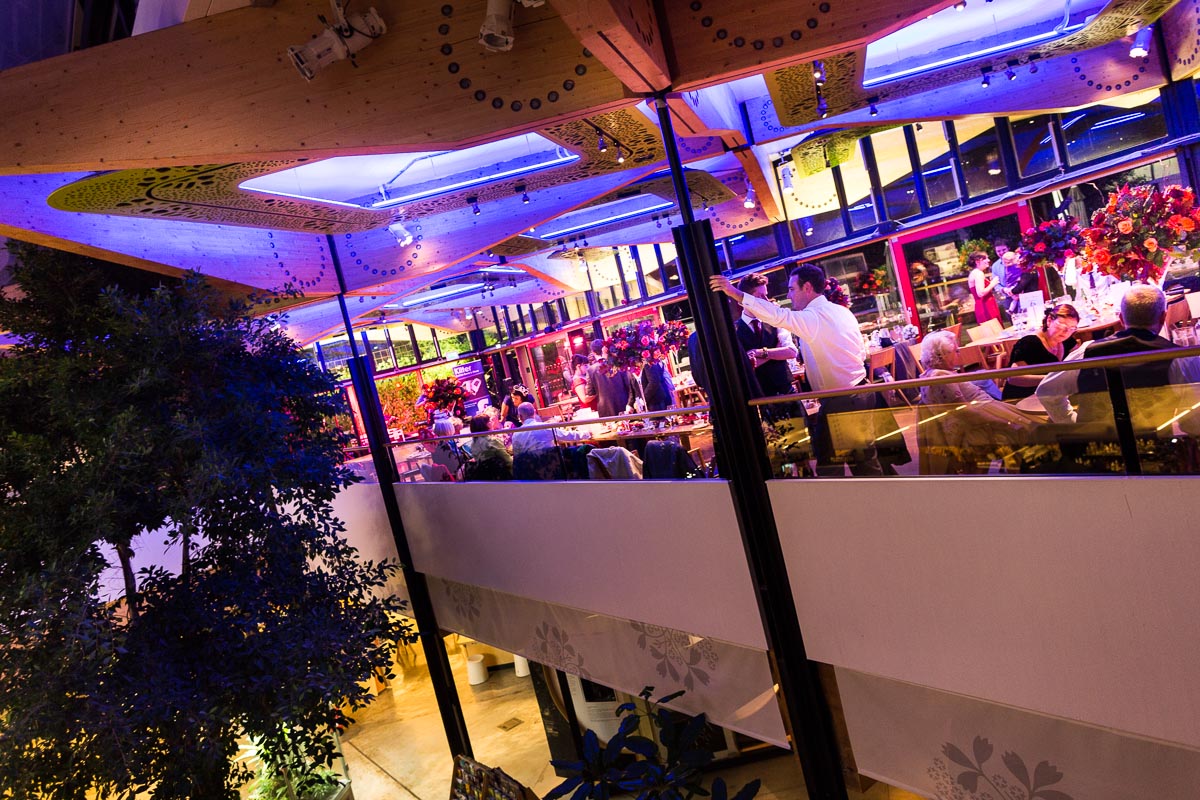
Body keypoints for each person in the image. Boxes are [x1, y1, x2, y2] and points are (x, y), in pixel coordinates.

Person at [710, 262, 882, 476]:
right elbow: (861, 354)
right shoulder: (841, 311)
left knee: (831, 465)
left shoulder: (813, 317)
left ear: (807, 287)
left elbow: (779, 316)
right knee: (860, 462)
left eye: (792, 289)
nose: (789, 296)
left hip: (842, 398)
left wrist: (733, 292)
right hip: (860, 392)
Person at [1036, 284, 1200, 433]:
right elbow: (1193, 423)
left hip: (1097, 448)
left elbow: (1046, 391)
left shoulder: (1087, 351)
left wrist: (1074, 424)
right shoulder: (1179, 358)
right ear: (1163, 317)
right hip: (1155, 449)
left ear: (1121, 318)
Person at [919, 330, 1039, 455]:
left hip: (983, 414)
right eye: (956, 351)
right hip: (978, 427)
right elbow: (964, 412)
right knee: (1030, 430)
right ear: (943, 355)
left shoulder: (930, 374)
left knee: (1030, 426)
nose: (958, 354)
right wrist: (1004, 423)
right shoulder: (940, 376)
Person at [735, 273, 799, 397]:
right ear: (743, 301)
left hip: (786, 391)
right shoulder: (734, 331)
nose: (766, 300)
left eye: (766, 295)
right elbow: (743, 367)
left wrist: (758, 352)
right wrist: (776, 350)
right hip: (757, 396)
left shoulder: (776, 320)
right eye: (760, 296)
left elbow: (791, 352)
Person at [1001, 303, 1080, 401]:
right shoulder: (1029, 343)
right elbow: (1014, 378)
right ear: (1049, 320)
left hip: (1050, 394)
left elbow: (1081, 360)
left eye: (1072, 328)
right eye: (1062, 326)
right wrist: (1053, 379)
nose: (1066, 331)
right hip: (1021, 398)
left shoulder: (1066, 340)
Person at [584, 340, 634, 418]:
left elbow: (590, 392)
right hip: (624, 405)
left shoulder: (591, 370)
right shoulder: (619, 363)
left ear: (593, 352)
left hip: (605, 410)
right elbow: (629, 385)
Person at [462, 412, 512, 481]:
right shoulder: (493, 441)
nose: (491, 422)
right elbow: (508, 461)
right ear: (485, 425)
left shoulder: (473, 444)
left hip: (485, 478)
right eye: (489, 421)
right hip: (500, 477)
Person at [967, 250, 1001, 324]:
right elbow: (981, 293)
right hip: (985, 306)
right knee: (993, 328)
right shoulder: (978, 273)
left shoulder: (975, 272)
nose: (988, 260)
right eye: (985, 258)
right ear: (977, 261)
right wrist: (993, 283)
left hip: (984, 305)